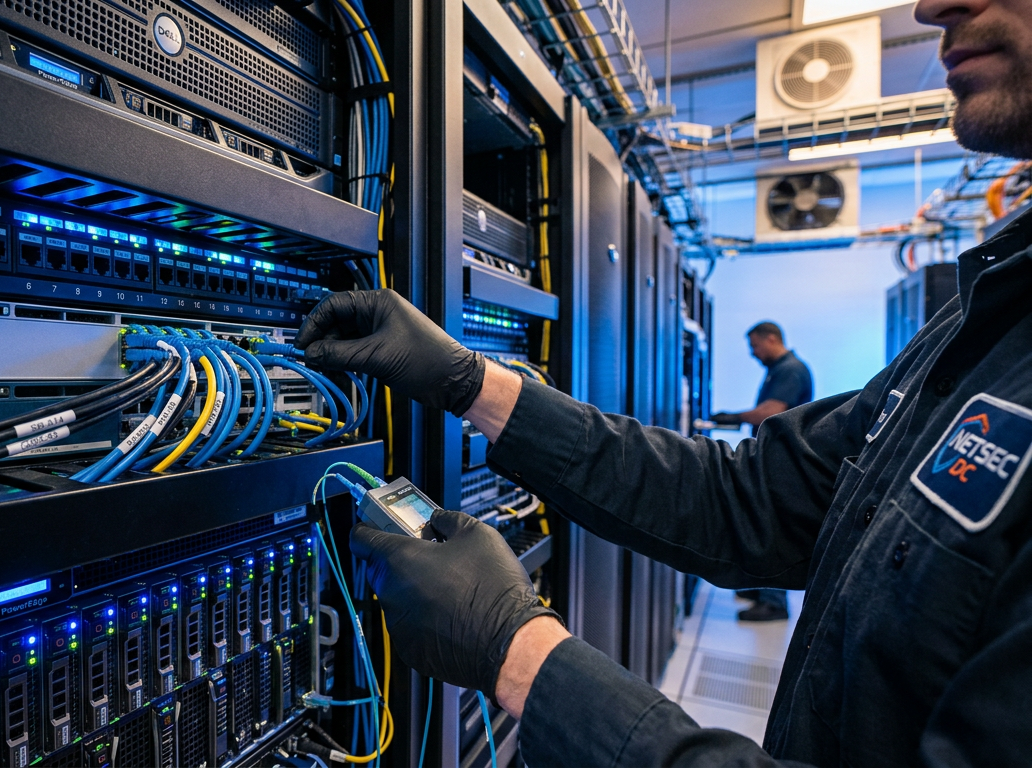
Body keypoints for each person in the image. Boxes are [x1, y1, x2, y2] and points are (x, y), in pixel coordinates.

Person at [292, 0, 1032, 763]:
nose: (930, 5)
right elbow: (743, 500)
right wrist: (475, 382)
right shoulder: (986, 320)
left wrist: (518, 652)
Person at [710, 321, 814, 622]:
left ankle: (774, 602)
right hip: (775, 457)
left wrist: (734, 416)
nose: (753, 354)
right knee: (758, 520)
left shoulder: (790, 370)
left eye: (755, 346)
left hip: (783, 461)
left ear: (772, 339)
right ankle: (758, 588)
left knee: (772, 526)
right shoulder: (780, 369)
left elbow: (771, 411)